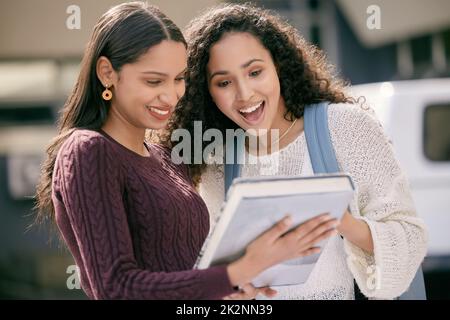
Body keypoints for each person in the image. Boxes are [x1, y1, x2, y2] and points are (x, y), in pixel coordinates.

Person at [34, 2, 338, 300]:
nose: (170, 96)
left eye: (179, 79)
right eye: (154, 80)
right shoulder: (88, 151)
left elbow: (182, 273)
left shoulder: (165, 157)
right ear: (107, 73)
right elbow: (116, 288)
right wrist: (237, 272)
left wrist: (228, 289)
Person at [166, 3, 428, 300]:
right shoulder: (216, 159)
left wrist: (343, 222)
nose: (245, 94)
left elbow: (408, 236)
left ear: (278, 64)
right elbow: (222, 272)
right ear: (207, 91)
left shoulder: (344, 127)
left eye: (255, 72)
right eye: (224, 82)